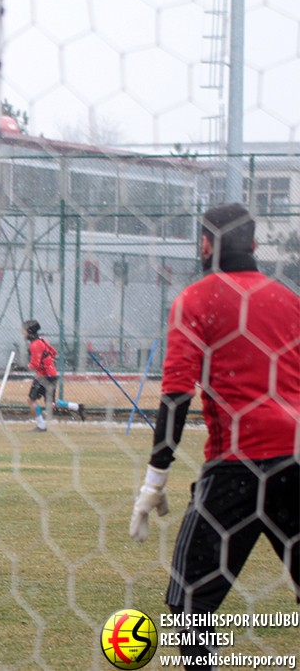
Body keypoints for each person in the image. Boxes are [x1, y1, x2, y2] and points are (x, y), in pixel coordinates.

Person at [128, 203, 300, 669]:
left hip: (238, 467)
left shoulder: (198, 298)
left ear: (204, 244)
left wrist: (154, 480)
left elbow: (177, 396)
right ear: (256, 246)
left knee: (189, 605)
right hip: (297, 463)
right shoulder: (289, 300)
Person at [22, 319, 85, 431]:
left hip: (43, 376)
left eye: (24, 330)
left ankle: (41, 426)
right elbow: (54, 352)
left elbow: (35, 365)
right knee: (51, 404)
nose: (22, 332)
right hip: (51, 374)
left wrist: (21, 367)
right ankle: (77, 407)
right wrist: (47, 362)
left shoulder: (35, 345)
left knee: (31, 400)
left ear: (29, 331)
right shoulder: (42, 341)